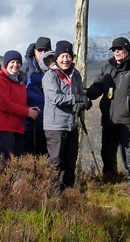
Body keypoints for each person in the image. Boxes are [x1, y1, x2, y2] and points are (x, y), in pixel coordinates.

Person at [86, 37, 130, 189]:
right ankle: (111, 186)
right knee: (107, 155)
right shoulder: (107, 68)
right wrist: (86, 92)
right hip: (109, 121)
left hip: (128, 122)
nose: (116, 51)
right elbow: (97, 87)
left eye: (119, 49)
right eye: (114, 49)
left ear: (127, 50)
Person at [42, 40, 91, 194]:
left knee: (70, 162)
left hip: (72, 124)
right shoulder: (50, 76)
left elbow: (80, 92)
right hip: (55, 126)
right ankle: (53, 195)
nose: (65, 59)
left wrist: (84, 102)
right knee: (55, 162)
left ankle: (69, 195)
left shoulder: (75, 74)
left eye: (68, 56)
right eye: (62, 56)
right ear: (57, 57)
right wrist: (77, 100)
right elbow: (56, 98)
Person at [0, 50, 40, 161]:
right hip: (3, 129)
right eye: (12, 62)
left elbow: (17, 104)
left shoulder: (20, 80)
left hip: (17, 129)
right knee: (3, 166)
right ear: (6, 63)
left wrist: (29, 109)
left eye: (18, 62)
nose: (15, 65)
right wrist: (27, 112)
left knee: (14, 167)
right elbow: (4, 104)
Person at [21, 37, 52, 155]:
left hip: (49, 123)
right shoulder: (25, 69)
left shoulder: (53, 69)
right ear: (34, 51)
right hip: (29, 122)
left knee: (46, 158)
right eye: (40, 50)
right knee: (29, 157)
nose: (43, 54)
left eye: (46, 51)